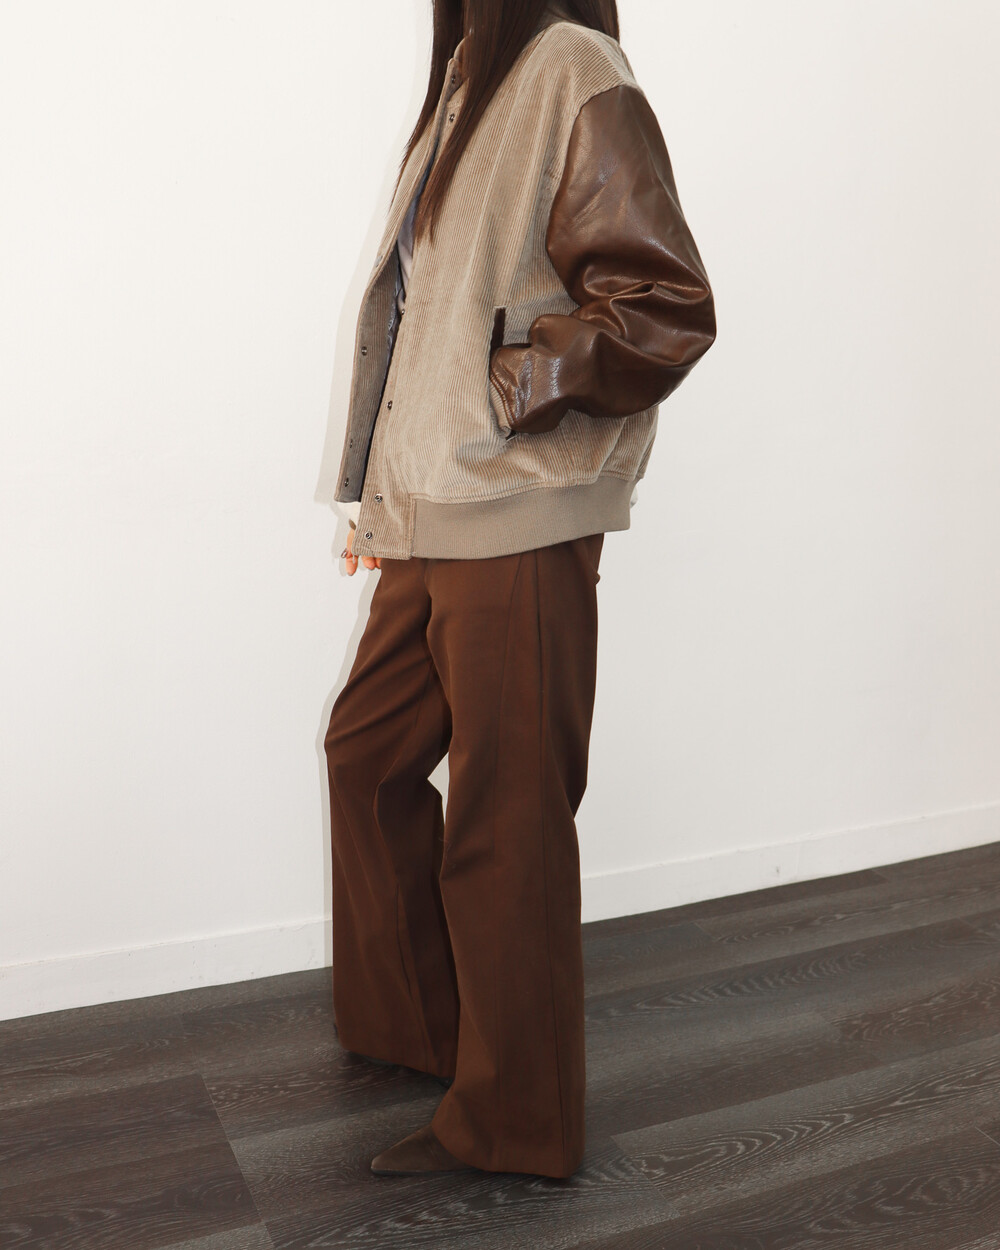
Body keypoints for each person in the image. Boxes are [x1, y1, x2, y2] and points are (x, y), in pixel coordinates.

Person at [324, 0, 716, 1179]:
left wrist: (511, 391)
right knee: (366, 754)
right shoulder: (466, 80)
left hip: (517, 513)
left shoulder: (570, 67)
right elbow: (419, 315)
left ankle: (515, 1120)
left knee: (507, 814)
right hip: (437, 510)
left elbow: (663, 303)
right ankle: (423, 1031)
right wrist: (382, 498)